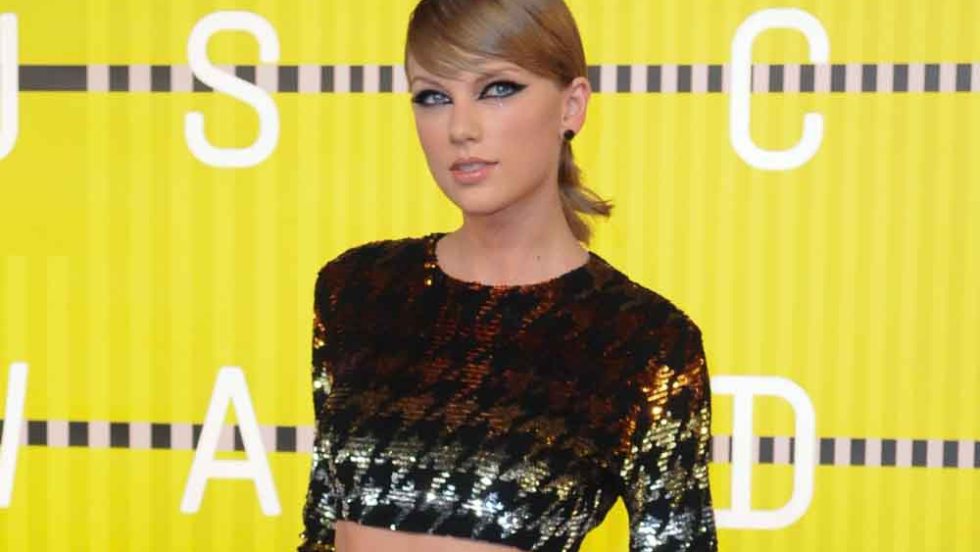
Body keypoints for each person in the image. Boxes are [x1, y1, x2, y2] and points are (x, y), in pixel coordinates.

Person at [298, 0, 718, 550]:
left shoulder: (640, 340)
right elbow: (322, 530)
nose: (460, 128)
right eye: (433, 96)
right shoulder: (358, 291)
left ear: (572, 105)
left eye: (497, 89)